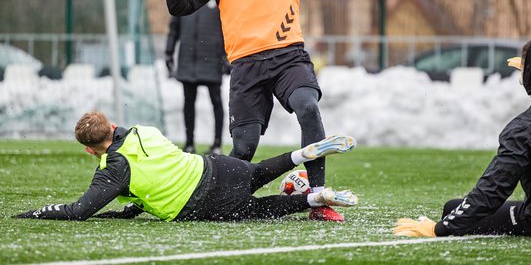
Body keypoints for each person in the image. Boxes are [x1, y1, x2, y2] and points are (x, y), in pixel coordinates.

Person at [165, 0, 341, 221]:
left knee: (307, 107)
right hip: (245, 68)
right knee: (243, 149)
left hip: (288, 58)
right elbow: (179, 5)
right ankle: (218, 201)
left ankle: (318, 197)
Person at [14, 110, 358, 222]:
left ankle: (316, 198)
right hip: (214, 166)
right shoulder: (143, 131)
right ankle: (303, 153)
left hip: (202, 203)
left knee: (259, 209)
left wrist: (33, 213)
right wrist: (134, 207)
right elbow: (154, 171)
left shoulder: (112, 171)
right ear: (112, 125)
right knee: (258, 172)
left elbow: (79, 211)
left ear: (90, 149)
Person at [393, 38, 531, 238]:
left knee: (451, 208)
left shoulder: (525, 128)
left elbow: (493, 189)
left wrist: (441, 228)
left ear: (528, 74)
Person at [165, 0, 227, 155]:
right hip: (188, 62)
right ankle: (189, 143)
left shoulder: (221, 1)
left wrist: (228, 57)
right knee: (188, 103)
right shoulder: (184, 1)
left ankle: (217, 144)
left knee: (216, 102)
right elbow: (173, 30)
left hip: (212, 62)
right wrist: (168, 53)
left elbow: (230, 31)